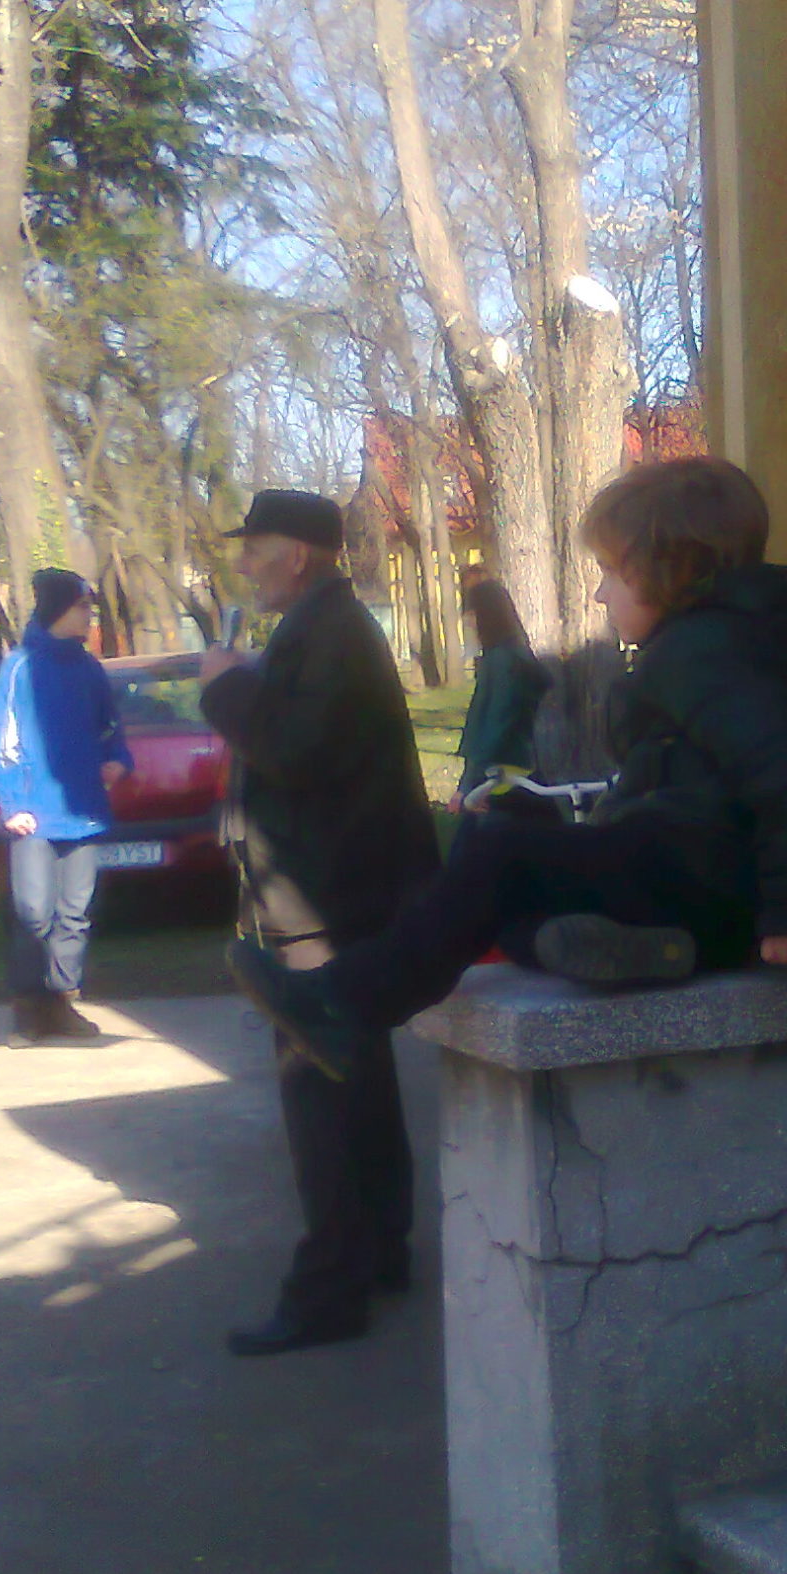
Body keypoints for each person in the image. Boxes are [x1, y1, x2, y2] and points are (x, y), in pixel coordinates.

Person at [228, 457, 787, 1077]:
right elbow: (676, 785)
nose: (600, 593)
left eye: (611, 573)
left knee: (501, 856)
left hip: (707, 891)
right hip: (688, 886)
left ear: (670, 568)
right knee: (506, 859)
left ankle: (343, 1005)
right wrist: (543, 807)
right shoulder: (704, 648)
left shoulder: (714, 653)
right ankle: (647, 950)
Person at [197, 488, 441, 1358]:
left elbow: (295, 751)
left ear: (296, 555)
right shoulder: (326, 626)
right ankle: (381, 1251)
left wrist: (225, 690)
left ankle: (331, 1286)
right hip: (338, 894)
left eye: (255, 547)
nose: (245, 564)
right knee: (356, 1079)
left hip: (322, 902)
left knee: (319, 1093)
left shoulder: (329, 632)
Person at [0, 569, 130, 1046]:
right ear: (59, 609)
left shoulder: (89, 668)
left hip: (83, 813)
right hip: (34, 818)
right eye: (83, 607)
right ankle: (29, 1012)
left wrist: (117, 759)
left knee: (75, 913)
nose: (90, 616)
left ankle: (62, 1004)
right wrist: (12, 805)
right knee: (33, 913)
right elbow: (0, 745)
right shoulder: (20, 667)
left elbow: (110, 728)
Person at [450, 577, 550, 811]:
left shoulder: (504, 662)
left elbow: (495, 726)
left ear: (486, 616)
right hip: (513, 772)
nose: (469, 623)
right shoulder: (509, 656)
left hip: (501, 778)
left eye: (472, 614)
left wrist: (468, 786)